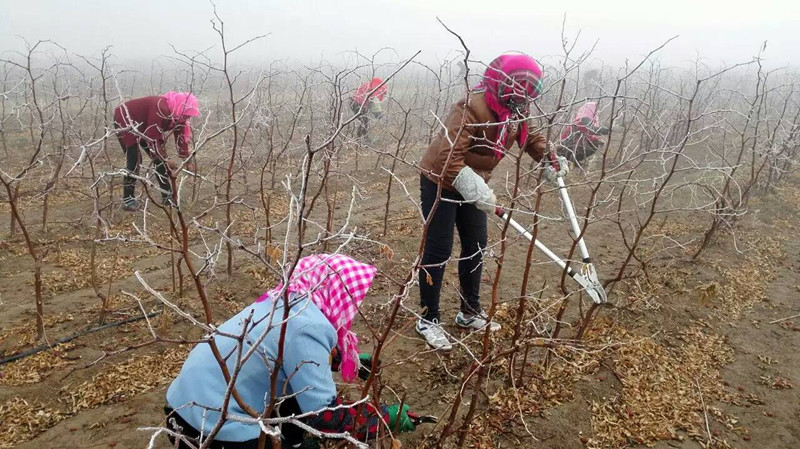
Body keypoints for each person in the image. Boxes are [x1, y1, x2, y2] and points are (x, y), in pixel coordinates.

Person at [165, 254, 416, 449]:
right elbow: (324, 416)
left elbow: (282, 355)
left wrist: (339, 360)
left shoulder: (279, 302)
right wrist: (382, 417)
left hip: (180, 406)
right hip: (209, 427)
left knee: (291, 389)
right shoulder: (307, 326)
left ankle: (290, 441)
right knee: (302, 399)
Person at [416, 52, 569, 350]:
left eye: (527, 94)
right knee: (439, 249)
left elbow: (531, 136)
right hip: (440, 181)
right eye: (517, 90)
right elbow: (448, 156)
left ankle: (469, 312)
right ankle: (428, 318)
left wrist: (549, 159)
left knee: (475, 246)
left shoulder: (516, 109)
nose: (522, 100)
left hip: (475, 185)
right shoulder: (470, 106)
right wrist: (473, 186)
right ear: (501, 83)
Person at [113, 92, 199, 211]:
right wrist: (165, 159)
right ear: (181, 107)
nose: (187, 118)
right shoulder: (161, 108)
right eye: (186, 115)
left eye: (189, 116)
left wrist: (187, 160)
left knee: (160, 161)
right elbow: (153, 137)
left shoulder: (179, 115)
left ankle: (167, 196)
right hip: (126, 118)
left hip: (145, 125)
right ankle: (128, 200)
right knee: (135, 160)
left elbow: (181, 139)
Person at [350, 77, 388, 143]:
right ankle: (360, 140)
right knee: (364, 121)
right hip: (357, 103)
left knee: (364, 121)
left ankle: (363, 139)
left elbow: (372, 104)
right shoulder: (374, 90)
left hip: (355, 102)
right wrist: (379, 114)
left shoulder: (371, 85)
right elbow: (374, 105)